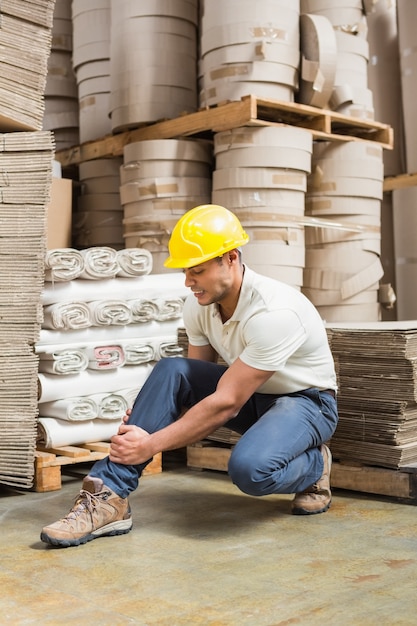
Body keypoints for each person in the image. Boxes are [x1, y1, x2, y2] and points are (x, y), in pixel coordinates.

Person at [41, 204, 338, 548]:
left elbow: (225, 404)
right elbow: (194, 382)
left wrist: (150, 443)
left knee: (250, 470)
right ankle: (109, 496)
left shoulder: (275, 313)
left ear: (231, 258)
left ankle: (315, 465)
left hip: (306, 402)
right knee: (172, 368)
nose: (188, 282)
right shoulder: (200, 304)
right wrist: (150, 416)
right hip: (253, 396)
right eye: (185, 271)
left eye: (196, 270)